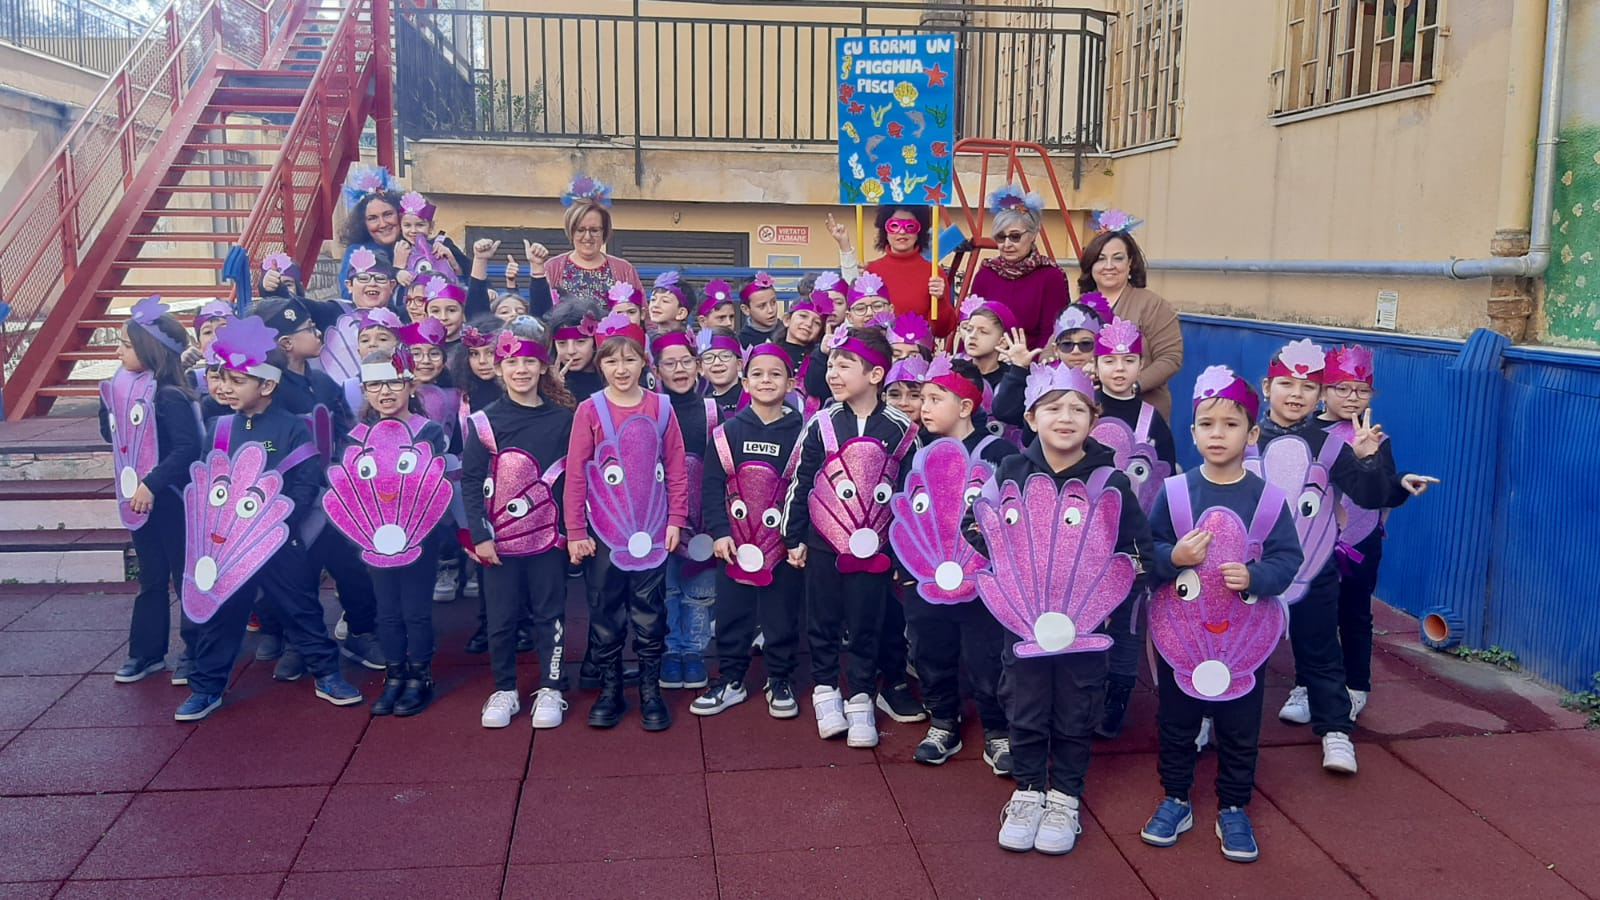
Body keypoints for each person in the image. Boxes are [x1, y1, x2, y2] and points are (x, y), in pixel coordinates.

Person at [1140, 367, 1303, 863]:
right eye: (1207, 424)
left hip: (1242, 640)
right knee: (1176, 722)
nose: (1217, 434)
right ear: (1192, 433)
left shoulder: (1268, 499)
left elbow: (1288, 559)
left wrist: (1256, 576)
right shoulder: (1174, 492)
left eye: (1230, 425)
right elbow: (1149, 552)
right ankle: (1175, 798)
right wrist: (1174, 558)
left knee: (1239, 727)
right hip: (1182, 637)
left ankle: (1233, 805)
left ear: (1251, 434)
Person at [176, 317, 364, 721]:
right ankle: (206, 688)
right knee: (222, 615)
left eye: (237, 380)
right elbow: (208, 482)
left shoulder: (292, 429)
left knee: (301, 608)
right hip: (229, 545)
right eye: (222, 379)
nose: (225, 388)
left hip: (278, 540)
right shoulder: (219, 428)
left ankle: (327, 674)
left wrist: (279, 524)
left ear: (266, 385)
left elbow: (306, 482)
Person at [1256, 339, 1393, 775]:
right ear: (1266, 388)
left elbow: (1369, 495)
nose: (1296, 394)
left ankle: (1335, 730)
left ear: (1319, 395)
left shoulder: (1332, 445)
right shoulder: (1246, 438)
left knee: (1321, 648)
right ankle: (1207, 717)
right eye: (1286, 384)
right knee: (1236, 645)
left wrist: (1368, 461)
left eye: (1308, 386)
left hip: (1313, 566)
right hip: (1253, 567)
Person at [782, 326, 918, 749]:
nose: (833, 374)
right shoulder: (821, 423)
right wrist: (794, 536)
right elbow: (801, 480)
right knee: (822, 619)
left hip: (876, 549)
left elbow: (908, 494)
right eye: (832, 366)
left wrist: (901, 552)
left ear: (876, 375)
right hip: (823, 544)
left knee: (866, 622)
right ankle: (825, 689)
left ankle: (860, 694)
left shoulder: (902, 429)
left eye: (845, 366)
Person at [564, 313, 690, 731]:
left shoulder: (661, 407)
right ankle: (611, 688)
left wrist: (675, 519)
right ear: (600, 364)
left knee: (650, 611)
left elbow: (676, 467)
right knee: (605, 610)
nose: (621, 369)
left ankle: (651, 690)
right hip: (604, 534)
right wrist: (576, 531)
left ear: (643, 362)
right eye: (612, 360)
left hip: (652, 532)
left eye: (630, 359)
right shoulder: (589, 410)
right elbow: (577, 472)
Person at [894, 355, 1020, 772]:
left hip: (983, 582)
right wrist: (906, 570)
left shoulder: (999, 453)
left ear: (965, 406)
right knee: (930, 651)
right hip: (927, 579)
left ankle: (997, 731)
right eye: (923, 398)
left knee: (987, 657)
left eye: (935, 399)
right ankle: (943, 721)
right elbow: (906, 513)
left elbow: (1013, 515)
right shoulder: (918, 452)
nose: (924, 407)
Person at [1316, 345, 1437, 721]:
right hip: (1313, 540)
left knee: (1354, 613)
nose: (1352, 397)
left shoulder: (1377, 438)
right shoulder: (1305, 432)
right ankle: (1308, 684)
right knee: (1314, 617)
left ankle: (1355, 686)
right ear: (1322, 391)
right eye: (1342, 388)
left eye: (1362, 390)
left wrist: (1402, 482)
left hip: (1360, 541)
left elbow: (1382, 490)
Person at [464, 328, 577, 729]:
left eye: (530, 361)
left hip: (549, 540)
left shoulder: (564, 420)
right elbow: (471, 481)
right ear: (499, 369)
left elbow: (574, 479)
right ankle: (505, 689)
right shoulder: (484, 421)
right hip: (498, 542)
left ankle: (551, 686)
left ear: (544, 367)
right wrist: (480, 535)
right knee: (501, 618)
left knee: (550, 612)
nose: (521, 369)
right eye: (511, 362)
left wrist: (572, 531)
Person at [692, 343, 807, 717]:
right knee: (732, 613)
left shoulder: (804, 434)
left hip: (783, 546)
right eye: (757, 374)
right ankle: (731, 679)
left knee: (781, 614)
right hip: (735, 545)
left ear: (791, 383)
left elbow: (805, 489)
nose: (766, 380)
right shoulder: (726, 433)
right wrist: (720, 532)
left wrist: (796, 538)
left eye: (776, 374)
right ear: (745, 382)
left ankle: (780, 678)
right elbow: (711, 486)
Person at [100, 297, 202, 685]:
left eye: (125, 345)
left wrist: (151, 483)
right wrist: (109, 404)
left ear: (150, 350)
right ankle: (146, 652)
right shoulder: (125, 387)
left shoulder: (169, 395)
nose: (118, 352)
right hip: (140, 503)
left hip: (171, 499)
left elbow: (187, 448)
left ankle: (195, 652)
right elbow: (111, 435)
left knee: (185, 576)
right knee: (152, 576)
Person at [347, 349, 449, 717]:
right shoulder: (357, 436)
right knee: (387, 610)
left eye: (393, 382)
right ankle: (394, 675)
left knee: (415, 610)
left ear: (410, 385)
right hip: (376, 539)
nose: (385, 392)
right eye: (375, 384)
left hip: (419, 537)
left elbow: (432, 484)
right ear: (364, 390)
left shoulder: (427, 431)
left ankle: (420, 677)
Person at [1089, 316, 1178, 739]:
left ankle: (1118, 694)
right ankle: (1085, 690)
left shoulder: (1152, 420)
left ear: (1141, 364)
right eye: (1110, 360)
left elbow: (1167, 477)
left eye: (1129, 360)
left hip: (1133, 539)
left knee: (1128, 619)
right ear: (1096, 365)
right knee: (1087, 614)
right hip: (1086, 537)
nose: (1119, 369)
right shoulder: (1082, 409)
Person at [652, 332, 717, 691]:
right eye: (669, 363)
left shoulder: (712, 411)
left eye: (686, 361)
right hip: (659, 517)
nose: (679, 369)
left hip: (702, 517)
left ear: (698, 365)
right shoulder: (652, 408)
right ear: (656, 370)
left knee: (700, 590)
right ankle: (670, 650)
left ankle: (694, 651)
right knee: (667, 589)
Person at [1076, 212, 1183, 420]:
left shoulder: (1153, 305)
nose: (1109, 266)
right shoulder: (1079, 307)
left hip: (1142, 413)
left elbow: (1170, 358)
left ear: (1130, 263)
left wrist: (1131, 386)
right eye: (1100, 259)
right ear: (1091, 265)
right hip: (1088, 415)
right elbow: (1051, 351)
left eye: (1118, 258)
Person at [969, 185, 1071, 350]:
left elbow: (1051, 333)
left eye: (1015, 236)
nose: (1007, 244)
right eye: (1000, 237)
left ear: (1033, 234)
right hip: (986, 359)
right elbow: (970, 326)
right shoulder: (986, 274)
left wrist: (1027, 360)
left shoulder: (1050, 276)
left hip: (1032, 360)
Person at [828, 206, 956, 337]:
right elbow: (852, 307)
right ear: (885, 230)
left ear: (920, 230)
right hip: (876, 347)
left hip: (917, 348)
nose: (902, 231)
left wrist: (940, 301)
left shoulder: (934, 274)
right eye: (894, 226)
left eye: (910, 226)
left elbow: (942, 331)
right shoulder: (870, 271)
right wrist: (844, 246)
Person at [532, 175, 644, 310]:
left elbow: (643, 314)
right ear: (571, 231)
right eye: (580, 230)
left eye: (594, 230)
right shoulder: (552, 268)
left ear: (604, 231)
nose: (587, 237)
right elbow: (540, 313)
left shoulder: (624, 270)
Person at [336, 166, 404, 298]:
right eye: (373, 218)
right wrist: (397, 269)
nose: (383, 224)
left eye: (388, 214)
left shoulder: (416, 246)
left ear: (400, 215)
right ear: (363, 223)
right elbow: (350, 296)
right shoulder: (356, 252)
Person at [547, 300, 605, 403]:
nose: (571, 351)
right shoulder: (545, 382)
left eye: (580, 342)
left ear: (595, 341)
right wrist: (553, 390)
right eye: (562, 343)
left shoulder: (614, 377)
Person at [700, 329, 746, 419]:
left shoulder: (753, 398)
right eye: (708, 358)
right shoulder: (702, 404)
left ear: (739, 364)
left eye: (725, 356)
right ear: (701, 368)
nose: (717, 362)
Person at [737, 273, 782, 347]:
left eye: (773, 302)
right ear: (746, 310)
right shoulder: (741, 342)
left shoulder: (789, 332)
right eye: (762, 306)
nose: (770, 310)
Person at [648, 270, 696, 335]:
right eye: (653, 299)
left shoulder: (682, 340)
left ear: (681, 313)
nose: (656, 305)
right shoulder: (647, 338)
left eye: (665, 301)